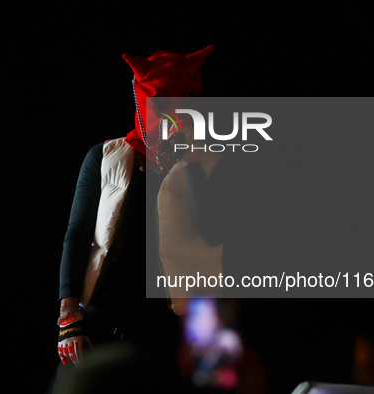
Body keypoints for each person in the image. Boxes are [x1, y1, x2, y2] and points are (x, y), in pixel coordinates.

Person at [53, 45, 216, 391]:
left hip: (165, 324)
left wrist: (189, 162)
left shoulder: (206, 162)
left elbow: (212, 231)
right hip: (100, 312)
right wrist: (69, 319)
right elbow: (78, 233)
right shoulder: (105, 156)